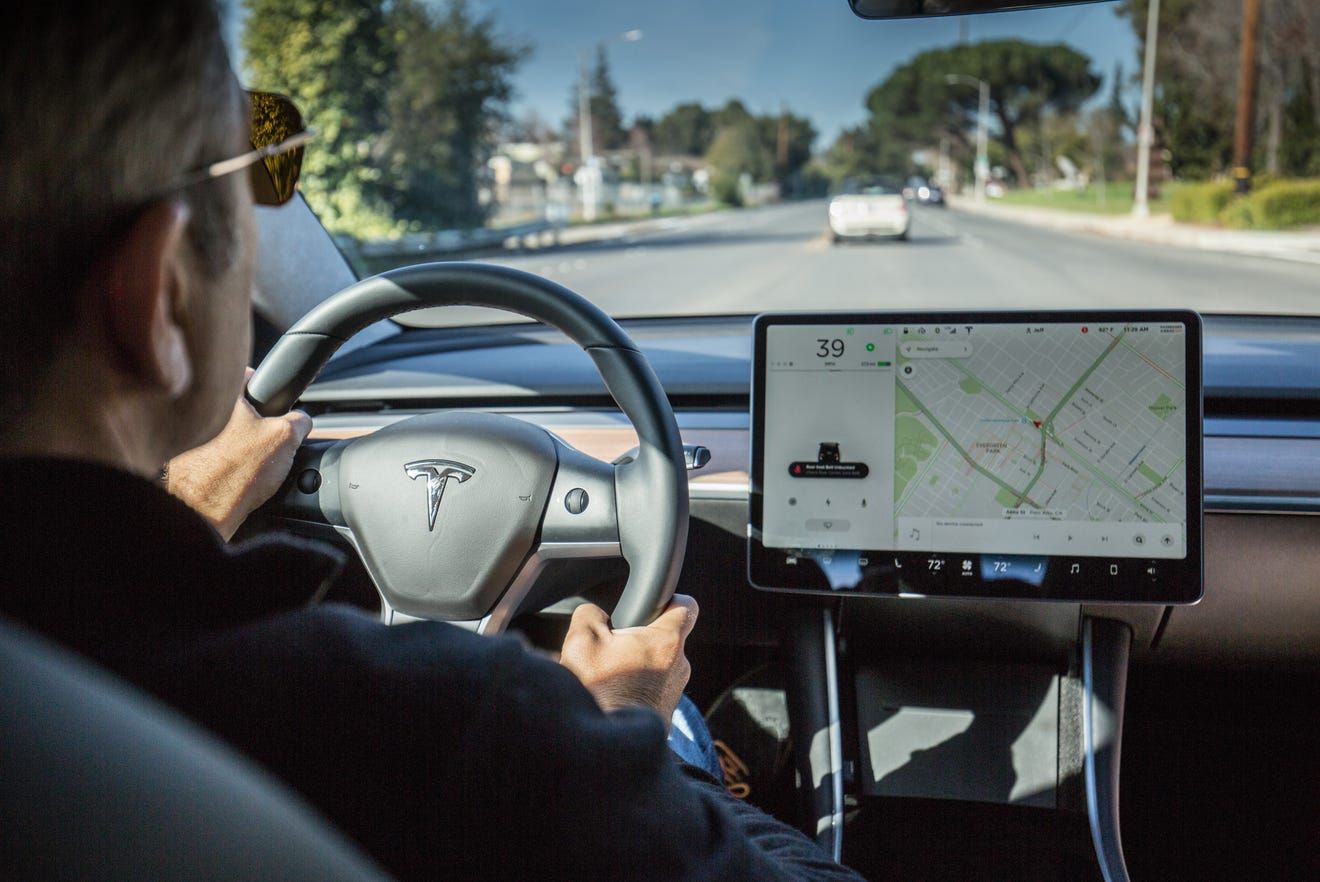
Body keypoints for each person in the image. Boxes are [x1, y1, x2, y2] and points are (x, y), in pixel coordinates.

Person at [0, 3, 862, 879]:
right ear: (157, 298)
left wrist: (178, 516)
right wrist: (629, 734)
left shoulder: (67, 666)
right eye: (247, 195)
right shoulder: (470, 741)